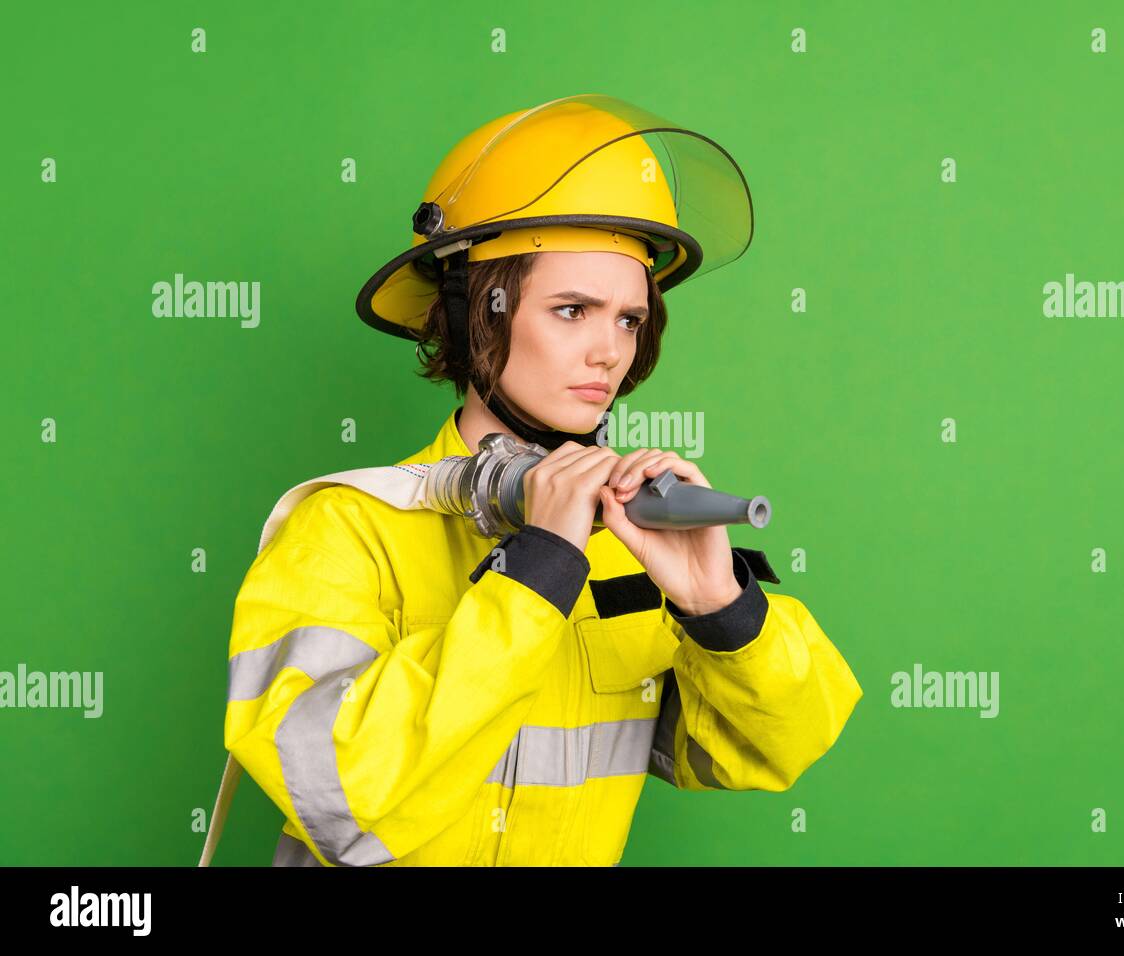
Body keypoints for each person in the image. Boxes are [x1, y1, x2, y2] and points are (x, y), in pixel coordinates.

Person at [214, 95, 864, 867]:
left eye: (628, 318)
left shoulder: (632, 542)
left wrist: (720, 608)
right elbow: (335, 796)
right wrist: (537, 575)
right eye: (571, 309)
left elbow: (764, 752)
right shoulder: (347, 529)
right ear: (469, 318)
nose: (609, 354)